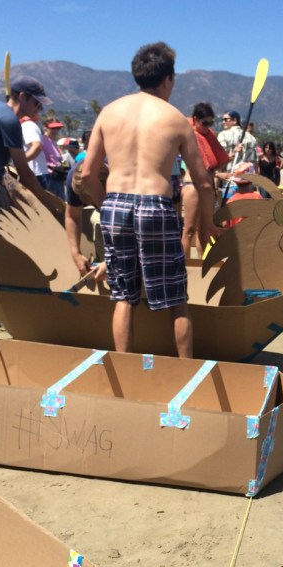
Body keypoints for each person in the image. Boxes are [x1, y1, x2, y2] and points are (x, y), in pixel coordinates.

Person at [79, 42, 217, 357]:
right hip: (155, 206)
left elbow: (88, 174)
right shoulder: (175, 119)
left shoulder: (109, 112)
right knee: (176, 298)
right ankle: (185, 370)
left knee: (124, 296)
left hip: (115, 201)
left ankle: (126, 367)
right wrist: (207, 224)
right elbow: (203, 182)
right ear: (168, 79)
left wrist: (108, 206)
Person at [0, 76, 58, 328]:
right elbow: (24, 172)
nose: (39, 108)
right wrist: (46, 204)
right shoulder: (8, 120)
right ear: (22, 97)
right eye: (37, 103)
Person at [182, 102, 231, 258]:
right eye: (205, 123)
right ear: (195, 119)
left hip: (207, 185)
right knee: (189, 231)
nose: (207, 126)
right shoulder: (188, 135)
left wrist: (217, 174)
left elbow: (215, 163)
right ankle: (184, 269)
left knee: (205, 232)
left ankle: (203, 269)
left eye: (211, 123)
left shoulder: (208, 136)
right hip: (193, 185)